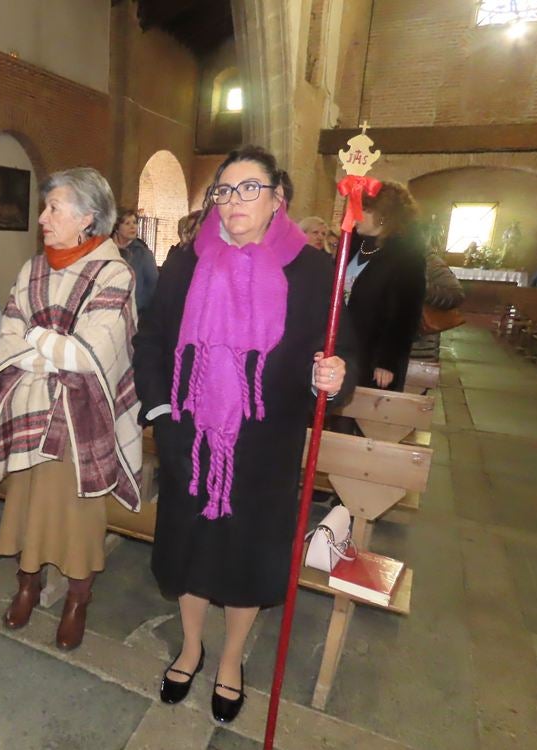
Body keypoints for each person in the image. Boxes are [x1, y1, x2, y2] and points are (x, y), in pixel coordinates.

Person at [132, 145, 357, 724]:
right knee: (190, 550)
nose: (234, 201)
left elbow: (339, 352)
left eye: (249, 188)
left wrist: (334, 375)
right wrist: (160, 412)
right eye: (224, 191)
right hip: (189, 436)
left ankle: (230, 660)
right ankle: (189, 646)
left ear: (278, 198)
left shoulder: (311, 271)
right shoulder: (185, 261)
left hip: (265, 444)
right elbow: (152, 340)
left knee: (247, 556)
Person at [0, 167, 142, 652]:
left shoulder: (115, 272)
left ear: (88, 217)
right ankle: (27, 585)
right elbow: (4, 342)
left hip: (83, 417)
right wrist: (47, 347)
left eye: (54, 208)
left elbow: (91, 356)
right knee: (25, 501)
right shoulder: (33, 269)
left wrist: (35, 339)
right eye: (45, 207)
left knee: (78, 515)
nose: (42, 217)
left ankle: (77, 598)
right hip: (30, 407)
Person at [344, 181, 426, 391]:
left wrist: (388, 361)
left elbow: (406, 313)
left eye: (363, 209)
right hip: (342, 346)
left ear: (383, 214)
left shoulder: (406, 255)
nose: (355, 214)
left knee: (361, 417)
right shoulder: (353, 243)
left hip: (373, 355)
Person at [410, 253, 465, 361]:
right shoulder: (371, 252)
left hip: (415, 346)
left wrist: (419, 286)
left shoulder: (426, 259)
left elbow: (456, 295)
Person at [112, 209, 158, 315]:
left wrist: (139, 306)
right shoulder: (106, 249)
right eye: (127, 223)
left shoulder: (143, 254)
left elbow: (153, 285)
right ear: (117, 228)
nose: (133, 227)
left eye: (135, 223)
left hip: (133, 313)